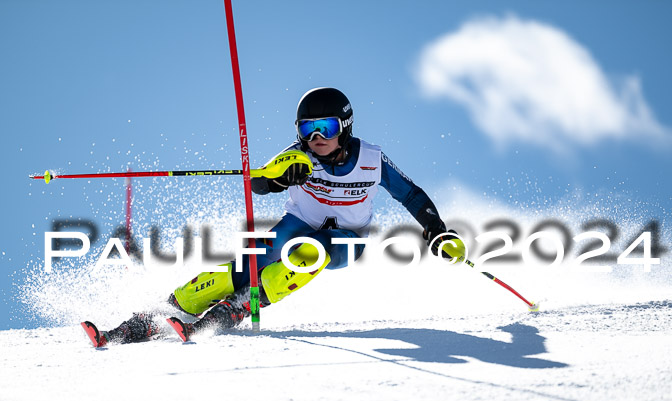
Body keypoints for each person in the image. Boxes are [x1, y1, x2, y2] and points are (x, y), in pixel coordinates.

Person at [81, 87, 465, 347]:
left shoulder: (371, 160)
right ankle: (157, 315)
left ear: (344, 128)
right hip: (295, 225)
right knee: (244, 266)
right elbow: (258, 184)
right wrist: (279, 178)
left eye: (326, 128)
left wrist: (437, 231)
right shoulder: (298, 154)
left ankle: (240, 306)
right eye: (307, 130)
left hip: (346, 240)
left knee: (309, 252)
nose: (316, 138)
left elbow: (411, 195)